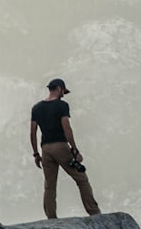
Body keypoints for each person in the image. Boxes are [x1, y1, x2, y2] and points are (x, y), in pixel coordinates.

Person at [30, 78, 101, 219]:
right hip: (60, 146)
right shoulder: (62, 106)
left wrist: (36, 154)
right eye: (63, 91)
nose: (63, 94)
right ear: (59, 88)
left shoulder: (36, 108)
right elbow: (66, 128)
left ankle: (51, 218)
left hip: (45, 149)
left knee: (49, 186)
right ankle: (94, 212)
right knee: (81, 178)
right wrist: (74, 149)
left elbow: (32, 132)